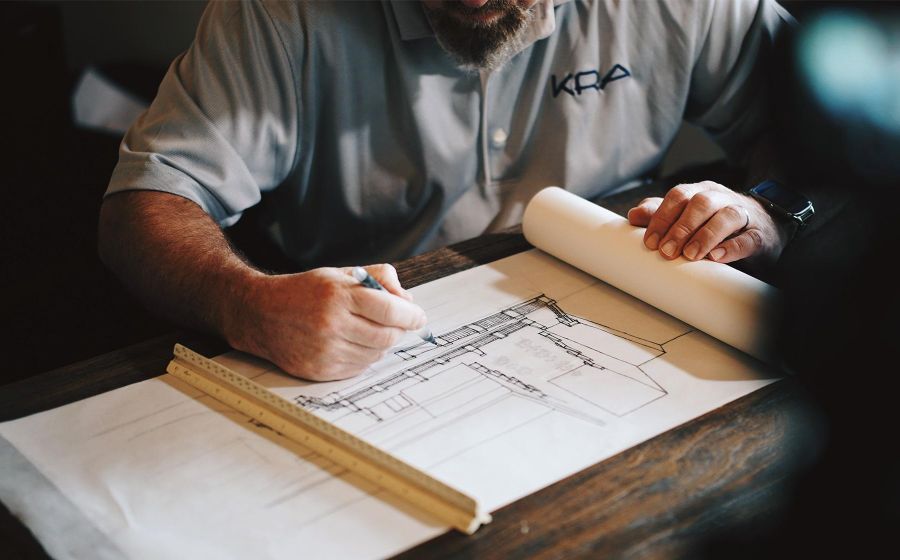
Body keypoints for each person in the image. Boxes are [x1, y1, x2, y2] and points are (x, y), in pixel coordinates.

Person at [99, 0, 795, 381]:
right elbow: (145, 204)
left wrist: (766, 206)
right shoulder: (279, 15)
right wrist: (244, 303)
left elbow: (829, 136)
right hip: (368, 340)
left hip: (641, 328)